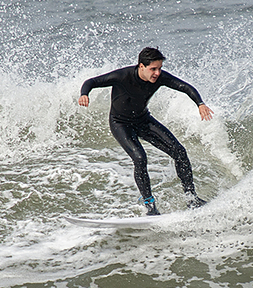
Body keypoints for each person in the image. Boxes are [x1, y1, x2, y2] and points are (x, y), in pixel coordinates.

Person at [78, 47, 214, 215]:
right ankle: (150, 206)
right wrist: (85, 94)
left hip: (143, 120)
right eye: (153, 69)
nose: (157, 73)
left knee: (179, 151)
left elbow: (184, 87)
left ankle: (191, 199)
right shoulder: (122, 76)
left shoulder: (159, 78)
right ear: (141, 66)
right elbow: (91, 82)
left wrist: (200, 103)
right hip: (120, 124)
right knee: (140, 158)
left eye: (160, 68)